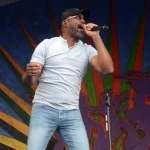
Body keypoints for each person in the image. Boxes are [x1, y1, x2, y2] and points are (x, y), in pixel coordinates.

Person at [22, 8, 114, 150]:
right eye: (78, 17)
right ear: (65, 22)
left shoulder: (87, 50)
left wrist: (96, 37)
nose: (83, 21)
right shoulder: (47, 44)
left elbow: (107, 69)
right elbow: (30, 82)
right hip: (44, 110)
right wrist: (29, 73)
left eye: (84, 19)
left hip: (71, 113)